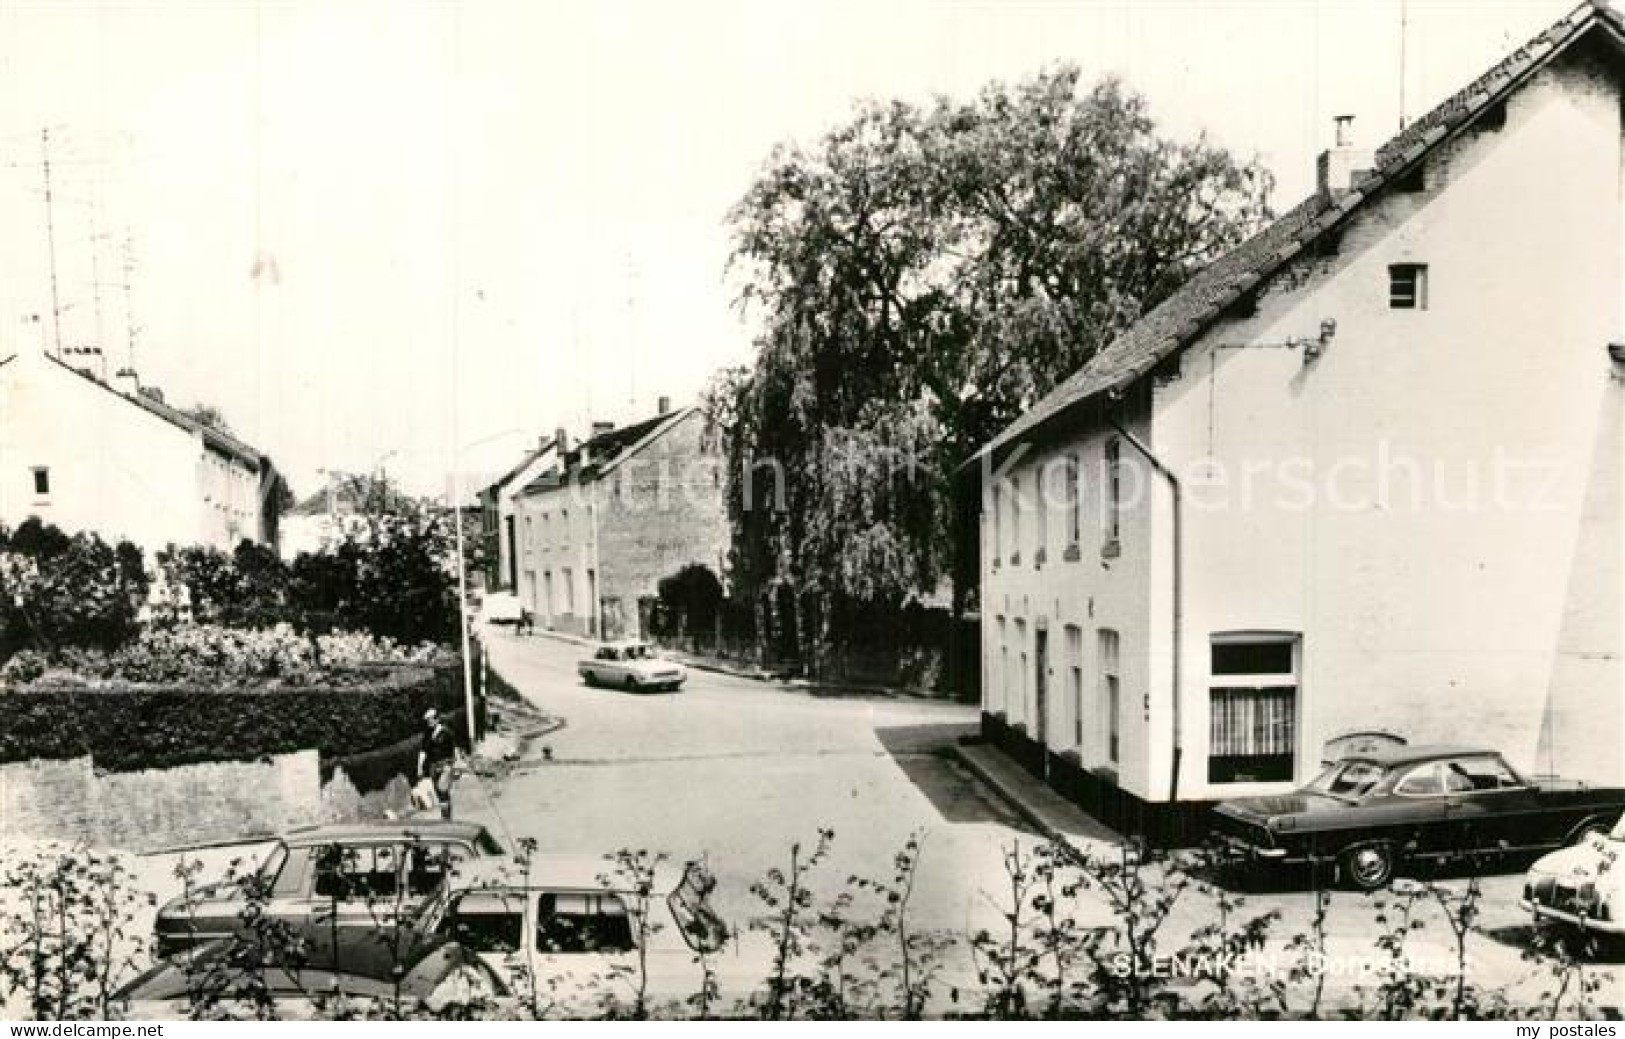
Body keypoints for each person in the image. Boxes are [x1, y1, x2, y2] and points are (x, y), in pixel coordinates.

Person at [416, 708, 457, 820]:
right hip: (433, 767)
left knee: (443, 790)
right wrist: (419, 767)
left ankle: (447, 818)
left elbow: (453, 751)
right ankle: (446, 816)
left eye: (431, 719)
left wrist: (450, 767)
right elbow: (423, 751)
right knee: (438, 792)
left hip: (445, 766)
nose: (429, 722)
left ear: (437, 719)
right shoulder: (427, 734)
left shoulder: (446, 733)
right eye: (427, 720)